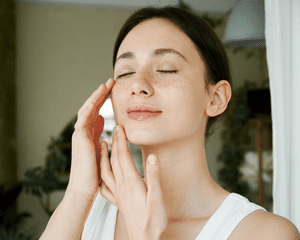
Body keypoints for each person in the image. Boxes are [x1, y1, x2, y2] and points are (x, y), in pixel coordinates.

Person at [40, 6, 300, 240]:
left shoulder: (263, 233)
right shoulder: (83, 214)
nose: (138, 85)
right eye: (125, 72)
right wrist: (77, 193)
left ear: (216, 98)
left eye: (166, 69)